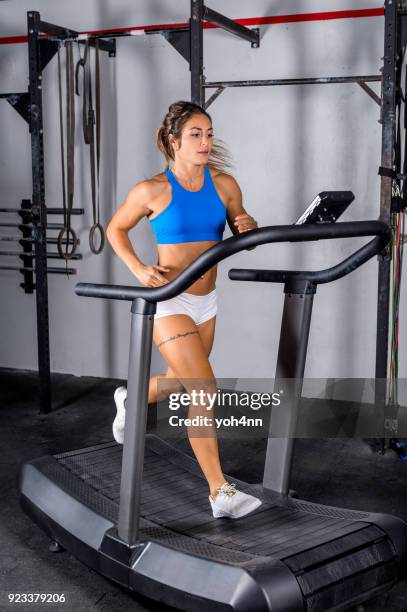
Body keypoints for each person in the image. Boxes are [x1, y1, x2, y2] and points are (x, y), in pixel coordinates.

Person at [106, 100, 261, 519]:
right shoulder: (152, 190)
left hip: (206, 301)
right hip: (170, 298)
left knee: (178, 384)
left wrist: (246, 221)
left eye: (209, 133)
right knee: (203, 389)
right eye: (196, 134)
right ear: (173, 141)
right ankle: (219, 492)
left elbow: (238, 219)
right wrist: (139, 268)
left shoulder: (225, 184)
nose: (206, 141)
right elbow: (115, 229)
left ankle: (130, 397)